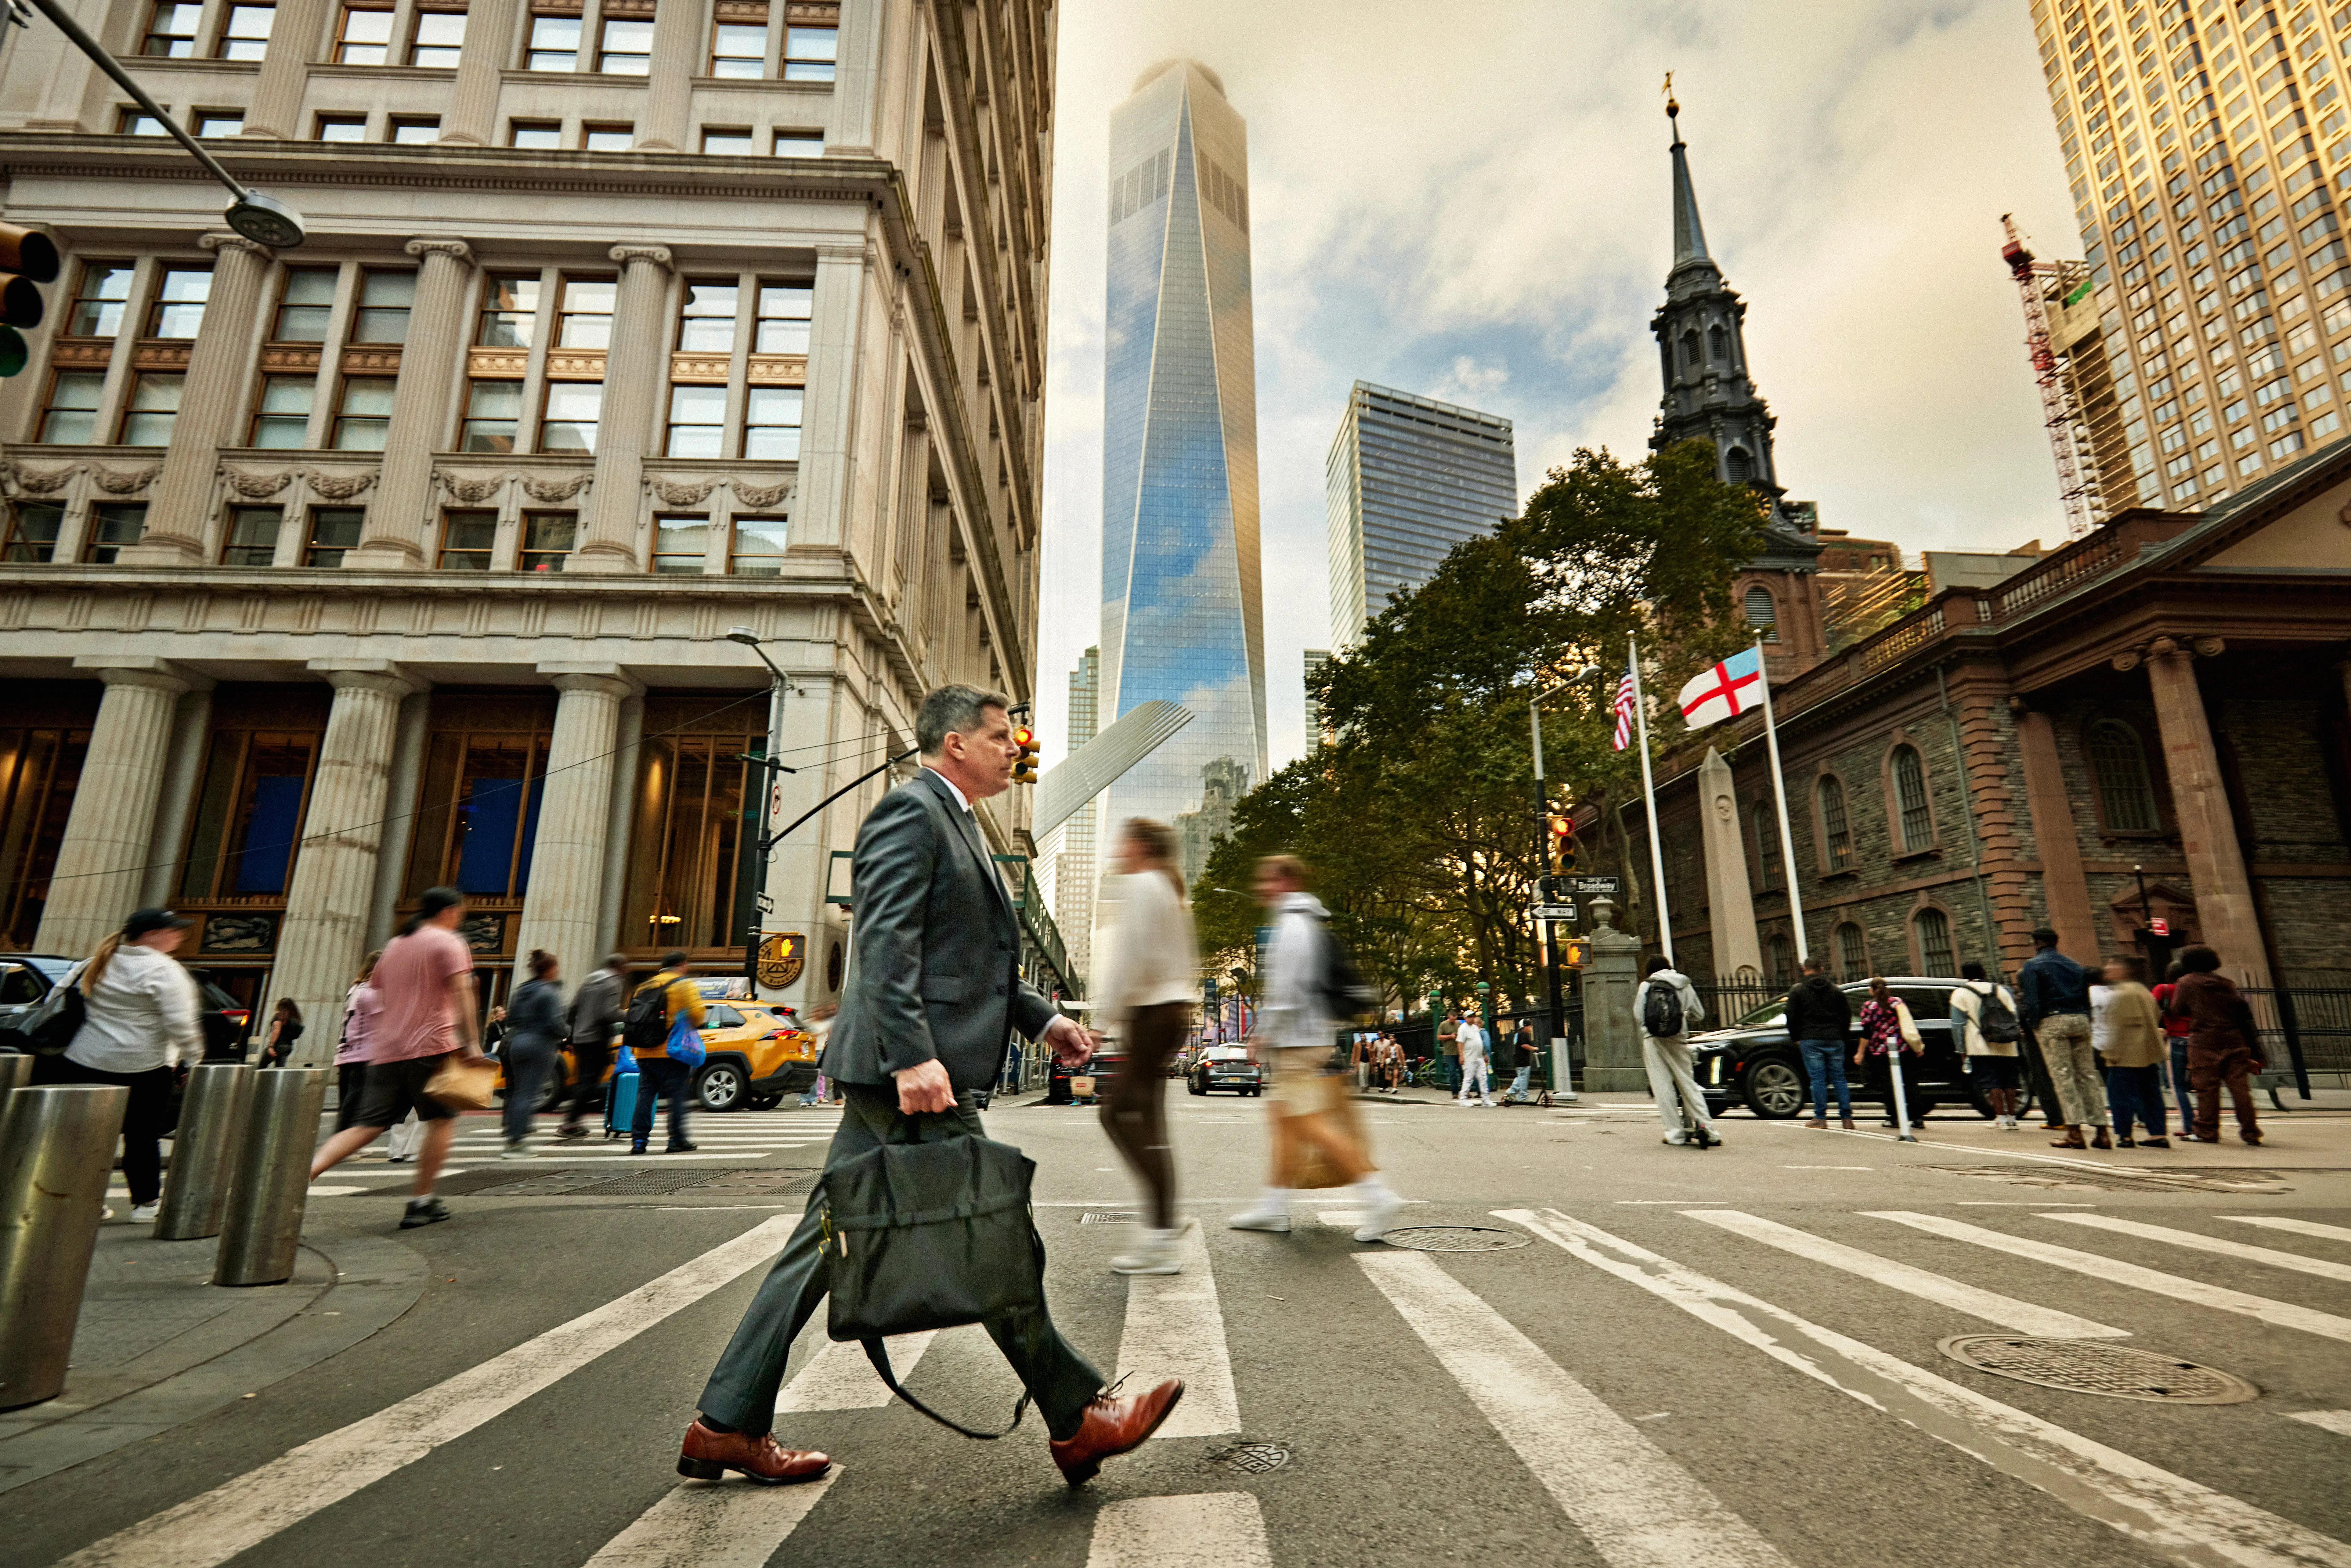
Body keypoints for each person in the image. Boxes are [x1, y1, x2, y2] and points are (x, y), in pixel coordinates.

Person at [684, 684, 1182, 1490]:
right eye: (998, 736)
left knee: (820, 1244)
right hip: (912, 1076)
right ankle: (1077, 1414)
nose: (1012, 749)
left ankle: (725, 1422)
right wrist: (914, 1055)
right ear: (955, 743)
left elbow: (972, 959)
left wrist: (1044, 1019)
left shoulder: (961, 824)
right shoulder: (912, 813)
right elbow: (884, 942)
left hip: (916, 1069)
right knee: (984, 1229)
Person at [1229, 854, 1406, 1239]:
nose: (1261, 888)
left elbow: (1287, 993)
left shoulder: (1292, 925)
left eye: (1268, 880)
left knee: (1307, 1122)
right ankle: (1273, 1206)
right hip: (1305, 1037)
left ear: (1287, 882)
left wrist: (1262, 1034)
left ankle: (1376, 1195)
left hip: (1298, 1039)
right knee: (1284, 1120)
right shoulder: (1303, 921)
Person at [309, 886, 485, 1228]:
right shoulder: (449, 942)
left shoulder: (395, 945)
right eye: (460, 911)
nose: (460, 917)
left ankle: (303, 1176)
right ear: (449, 912)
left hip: (387, 1049)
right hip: (432, 1045)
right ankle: (421, 1200)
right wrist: (473, 1042)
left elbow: (378, 989)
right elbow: (462, 991)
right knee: (441, 1120)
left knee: (367, 1124)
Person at [31, 908, 201, 1224]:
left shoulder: (94, 963)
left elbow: (55, 999)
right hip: (142, 1066)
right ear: (152, 935)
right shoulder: (164, 970)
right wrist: (193, 1059)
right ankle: (146, 1203)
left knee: (85, 1134)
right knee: (141, 1135)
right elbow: (181, 1023)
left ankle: (83, 1199)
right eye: (173, 930)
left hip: (84, 1061)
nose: (179, 936)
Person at [1093, 817, 1199, 1275]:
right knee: (1150, 1122)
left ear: (1139, 845)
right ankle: (1164, 1222)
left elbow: (1131, 959)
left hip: (1153, 1013)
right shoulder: (1169, 889)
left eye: (1122, 840)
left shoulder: (1143, 885)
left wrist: (1100, 1022)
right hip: (1170, 1011)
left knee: (1115, 1113)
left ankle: (1160, 1236)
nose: (1117, 848)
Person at [2020, 926, 2110, 1149]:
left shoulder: (2033, 965)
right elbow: (2084, 994)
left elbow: (2032, 1000)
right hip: (2080, 1018)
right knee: (2087, 1075)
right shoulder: (2074, 965)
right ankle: (2102, 1130)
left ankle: (2075, 1131)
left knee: (2063, 1076)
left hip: (2053, 1019)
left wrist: (2034, 1025)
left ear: (2037, 942)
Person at [2173, 945, 2264, 1145]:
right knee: (2240, 1089)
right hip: (2234, 1041)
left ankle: (2207, 1131)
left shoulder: (2186, 982)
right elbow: (2243, 1015)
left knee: (2207, 1089)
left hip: (2204, 1042)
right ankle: (2251, 1131)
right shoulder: (2227, 984)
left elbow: (2176, 1010)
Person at [627, 950, 705, 1155]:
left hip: (644, 1051)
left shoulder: (644, 986)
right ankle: (676, 1139)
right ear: (682, 964)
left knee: (645, 1096)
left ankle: (639, 1141)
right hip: (672, 1051)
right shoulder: (684, 984)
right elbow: (698, 1015)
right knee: (677, 1096)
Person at [1635, 955, 1714, 1144]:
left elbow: (1639, 1016)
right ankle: (1710, 1131)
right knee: (1688, 1084)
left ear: (1650, 971)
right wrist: (1682, 1018)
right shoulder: (1684, 984)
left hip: (1654, 1040)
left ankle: (1675, 1134)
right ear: (1669, 967)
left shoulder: (1647, 986)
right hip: (1678, 1038)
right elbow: (1700, 1014)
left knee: (1663, 1087)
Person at [500, 949, 565, 1159]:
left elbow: (510, 1020)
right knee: (528, 1094)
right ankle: (516, 1142)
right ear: (548, 970)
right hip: (540, 1045)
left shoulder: (521, 991)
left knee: (520, 1092)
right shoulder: (549, 992)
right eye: (555, 967)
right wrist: (567, 1031)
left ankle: (513, 1133)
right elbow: (557, 1024)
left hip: (517, 1042)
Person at [2099, 957, 2169, 1148]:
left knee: (2121, 1096)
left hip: (2127, 1054)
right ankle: (2158, 1133)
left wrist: (2111, 1053)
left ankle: (2125, 1135)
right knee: (2151, 1095)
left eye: (2113, 965)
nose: (2108, 968)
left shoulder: (2123, 993)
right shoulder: (2143, 991)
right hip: (2149, 1052)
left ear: (2125, 970)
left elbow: (2121, 1028)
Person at [557, 952, 627, 1140]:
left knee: (583, 1080)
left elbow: (572, 1010)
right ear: (619, 967)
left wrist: (571, 1037)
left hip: (581, 1038)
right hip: (597, 1038)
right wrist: (629, 1016)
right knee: (590, 1081)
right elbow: (609, 1013)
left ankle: (574, 1121)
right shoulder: (613, 983)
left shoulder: (590, 980)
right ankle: (571, 1122)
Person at [1949, 962, 2022, 1130]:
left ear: (1964, 975)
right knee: (2010, 1081)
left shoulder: (1961, 993)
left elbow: (1958, 1025)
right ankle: (2012, 1117)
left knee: (1992, 1082)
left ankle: (2000, 1119)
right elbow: (2015, 1015)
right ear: (1983, 972)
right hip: (2008, 1042)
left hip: (1979, 1044)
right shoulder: (2002, 990)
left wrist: (1961, 1049)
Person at [1786, 958, 1854, 1129]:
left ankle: (1821, 1118)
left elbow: (1791, 1016)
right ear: (1822, 969)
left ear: (1804, 969)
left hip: (1811, 1038)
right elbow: (1846, 1016)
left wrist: (1797, 1037)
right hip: (1835, 1037)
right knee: (1839, 1078)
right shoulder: (1836, 991)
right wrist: (1842, 1035)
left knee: (1818, 1079)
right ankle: (1847, 1119)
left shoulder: (1798, 991)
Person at [1854, 976, 1921, 1128]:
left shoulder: (1869, 1007)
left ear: (1872, 990)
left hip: (1881, 1052)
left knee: (1888, 1084)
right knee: (1910, 1082)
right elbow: (1908, 1024)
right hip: (1903, 1048)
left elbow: (1866, 1033)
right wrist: (1916, 1046)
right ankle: (1917, 1118)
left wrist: (1860, 1053)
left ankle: (1894, 1117)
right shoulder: (1898, 1003)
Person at [333, 953, 383, 1134]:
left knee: (347, 1101)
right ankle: (341, 1142)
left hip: (346, 1052)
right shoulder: (372, 992)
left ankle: (343, 1139)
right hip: (364, 1052)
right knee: (355, 1102)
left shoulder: (355, 989)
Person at [2153, 961, 2194, 1138]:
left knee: (2177, 1085)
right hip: (2197, 1040)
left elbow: (2149, 1007)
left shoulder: (2165, 989)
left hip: (2176, 1038)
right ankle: (2207, 1125)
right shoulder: (2196, 990)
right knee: (2202, 1086)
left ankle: (2189, 1126)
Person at [1455, 1010, 1494, 1107]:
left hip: (1479, 1058)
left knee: (1483, 1078)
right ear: (1466, 1018)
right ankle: (1463, 1099)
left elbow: (1479, 1042)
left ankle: (1486, 1099)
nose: (1472, 1018)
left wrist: (1484, 1054)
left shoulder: (1476, 1028)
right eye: (1470, 1017)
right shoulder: (1463, 1029)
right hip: (1469, 1058)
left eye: (1473, 1016)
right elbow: (1460, 1043)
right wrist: (1461, 1056)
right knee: (1468, 1078)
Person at [258, 997, 304, 1069]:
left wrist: (271, 1047)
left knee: (261, 1067)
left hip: (277, 1046)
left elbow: (277, 1031)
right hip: (287, 1047)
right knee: (279, 1069)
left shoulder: (279, 1016)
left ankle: (260, 1080)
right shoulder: (296, 1019)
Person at [1504, 1020, 1538, 1103]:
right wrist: (1534, 1049)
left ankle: (1512, 1091)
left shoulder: (1518, 1034)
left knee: (1521, 1077)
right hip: (1523, 1060)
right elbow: (1524, 1045)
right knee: (1523, 1078)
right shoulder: (1524, 1034)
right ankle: (1522, 1096)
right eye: (1530, 1026)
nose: (1531, 1029)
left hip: (1518, 1059)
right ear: (1526, 1026)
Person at [1437, 1011, 1462, 1096]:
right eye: (1452, 1020)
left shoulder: (1459, 1023)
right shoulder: (1443, 1025)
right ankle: (1455, 1093)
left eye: (1455, 1020)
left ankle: (1465, 1092)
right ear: (1449, 1017)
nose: (1454, 1022)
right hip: (1449, 1052)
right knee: (1452, 1073)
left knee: (1463, 1072)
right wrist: (1450, 1037)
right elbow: (1439, 1037)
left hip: (1459, 1052)